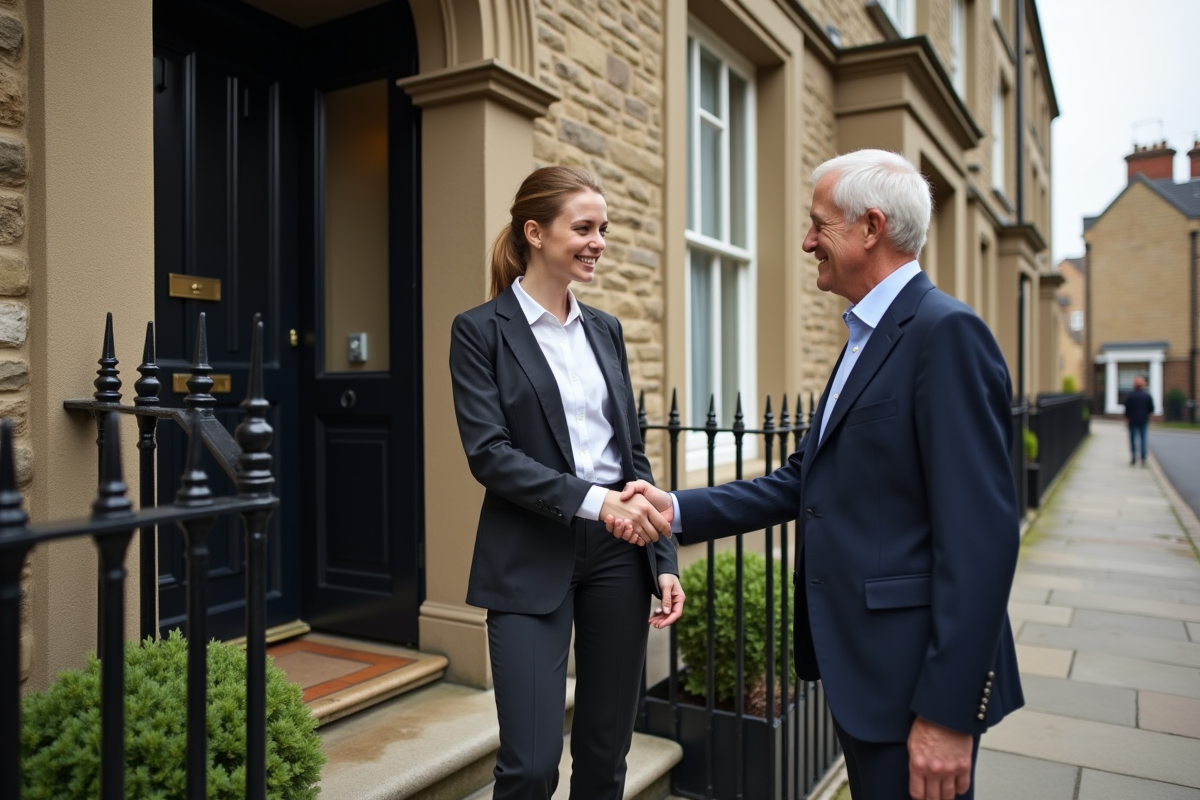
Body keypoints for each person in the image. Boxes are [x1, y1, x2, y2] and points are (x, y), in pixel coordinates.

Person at [608, 150, 1022, 800]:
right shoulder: (865, 336)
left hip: (915, 685)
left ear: (870, 228)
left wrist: (947, 715)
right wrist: (674, 508)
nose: (807, 242)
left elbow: (983, 541)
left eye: (818, 225)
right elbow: (802, 481)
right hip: (867, 674)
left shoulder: (946, 334)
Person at [450, 165, 685, 800]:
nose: (598, 241)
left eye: (603, 228)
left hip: (620, 553)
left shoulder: (606, 329)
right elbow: (489, 454)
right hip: (528, 550)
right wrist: (595, 501)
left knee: (606, 758)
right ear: (534, 232)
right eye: (583, 227)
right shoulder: (479, 331)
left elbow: (631, 454)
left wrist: (662, 557)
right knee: (528, 767)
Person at [1124, 376, 1154, 465]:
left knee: (1133, 439)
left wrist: (1127, 418)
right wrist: (1149, 416)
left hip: (1132, 420)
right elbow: (1151, 409)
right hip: (1143, 420)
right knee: (1143, 438)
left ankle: (1133, 456)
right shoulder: (1147, 396)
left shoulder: (1130, 396)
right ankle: (1143, 457)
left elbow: (1127, 409)